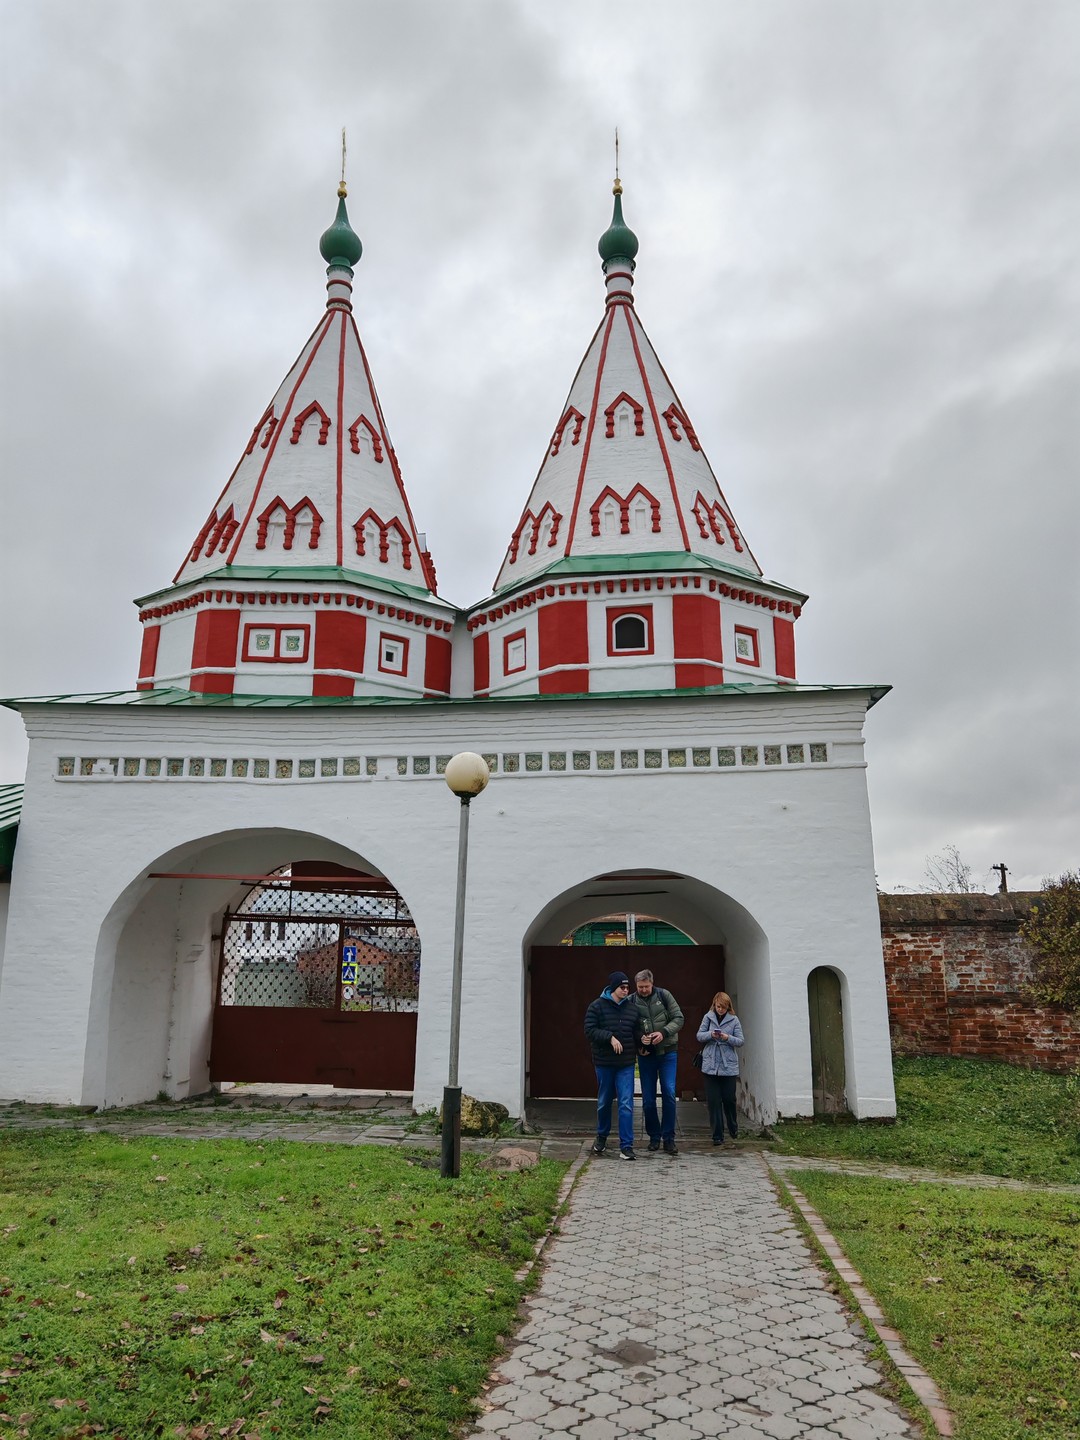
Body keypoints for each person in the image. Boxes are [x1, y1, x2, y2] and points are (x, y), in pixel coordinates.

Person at [584, 971, 640, 1160]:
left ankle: (626, 1145)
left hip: (625, 1063)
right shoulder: (597, 1006)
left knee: (626, 1103)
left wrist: (643, 1042)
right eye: (622, 987)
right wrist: (610, 1037)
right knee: (604, 1102)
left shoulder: (632, 1008)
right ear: (613, 988)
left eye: (627, 987)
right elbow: (590, 1030)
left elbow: (636, 1031)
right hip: (604, 1062)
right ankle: (601, 1136)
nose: (625, 991)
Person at [633, 968, 684, 1155]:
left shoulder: (664, 995)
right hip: (646, 1055)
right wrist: (640, 1040)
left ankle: (669, 1138)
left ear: (652, 983)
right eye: (640, 987)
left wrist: (663, 1033)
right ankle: (654, 1137)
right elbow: (630, 1026)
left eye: (646, 986)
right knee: (647, 1099)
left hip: (668, 1052)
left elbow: (679, 1018)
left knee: (669, 1093)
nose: (644, 990)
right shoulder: (632, 1000)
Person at [695, 991, 744, 1145]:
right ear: (714, 1005)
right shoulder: (708, 1017)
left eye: (723, 1007)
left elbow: (741, 1041)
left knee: (729, 1098)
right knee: (713, 1101)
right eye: (718, 1007)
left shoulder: (734, 1020)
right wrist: (711, 1034)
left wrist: (726, 1037)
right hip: (710, 1065)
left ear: (728, 1007)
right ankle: (717, 1135)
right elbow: (699, 1035)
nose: (720, 1010)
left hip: (727, 1065)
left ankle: (732, 1125)